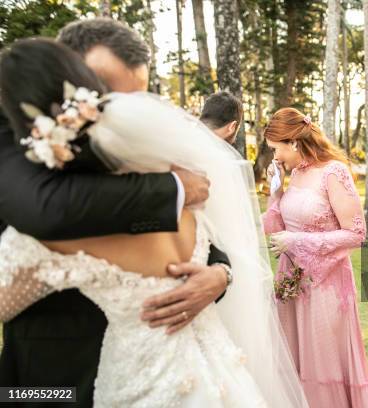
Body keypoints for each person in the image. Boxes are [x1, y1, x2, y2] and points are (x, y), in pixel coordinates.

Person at [0, 38, 307, 407]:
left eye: (134, 99)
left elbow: (213, 245)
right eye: (106, 91)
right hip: (53, 381)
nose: (116, 109)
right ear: (72, 78)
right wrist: (174, 188)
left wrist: (220, 273)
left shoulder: (167, 177)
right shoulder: (16, 144)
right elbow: (44, 208)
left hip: (170, 373)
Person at [262, 108, 368, 408]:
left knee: (323, 362)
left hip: (326, 286)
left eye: (276, 149)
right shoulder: (297, 173)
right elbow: (276, 228)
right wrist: (275, 194)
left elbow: (356, 233)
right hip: (292, 283)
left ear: (294, 142)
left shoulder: (334, 172)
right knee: (295, 357)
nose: (275, 158)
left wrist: (298, 241)